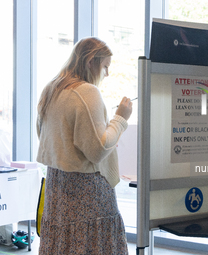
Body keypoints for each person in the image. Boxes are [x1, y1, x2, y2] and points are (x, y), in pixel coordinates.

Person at [36, 37, 132, 254]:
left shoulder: (52, 88)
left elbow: (43, 133)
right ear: (91, 61)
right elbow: (98, 150)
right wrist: (120, 118)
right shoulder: (87, 92)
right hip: (87, 191)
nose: (106, 73)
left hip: (58, 189)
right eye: (105, 66)